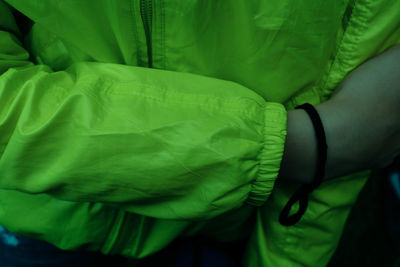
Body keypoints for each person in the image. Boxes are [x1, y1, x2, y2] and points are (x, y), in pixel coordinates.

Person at [0, 0, 399, 266]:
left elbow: (361, 87)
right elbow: (350, 134)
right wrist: (300, 146)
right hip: (50, 222)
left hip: (273, 222)